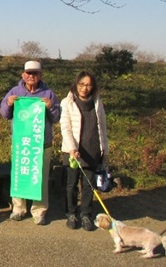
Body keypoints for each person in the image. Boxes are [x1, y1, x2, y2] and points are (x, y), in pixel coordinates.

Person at [0, 61, 60, 225]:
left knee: (39, 177)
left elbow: (56, 117)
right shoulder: (15, 91)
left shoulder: (48, 93)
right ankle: (18, 208)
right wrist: (8, 104)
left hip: (41, 145)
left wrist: (51, 106)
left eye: (35, 73)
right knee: (19, 175)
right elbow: (4, 114)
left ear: (40, 75)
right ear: (23, 74)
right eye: (28, 73)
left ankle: (39, 211)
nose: (31, 76)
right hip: (21, 144)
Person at [60, 71, 108, 231]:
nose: (84, 88)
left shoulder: (97, 102)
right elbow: (65, 128)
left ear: (92, 86)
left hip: (92, 149)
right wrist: (72, 148)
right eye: (81, 84)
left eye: (88, 85)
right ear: (76, 84)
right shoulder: (67, 102)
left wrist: (104, 151)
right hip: (73, 151)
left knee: (88, 185)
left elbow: (102, 128)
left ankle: (86, 214)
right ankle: (71, 213)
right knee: (71, 184)